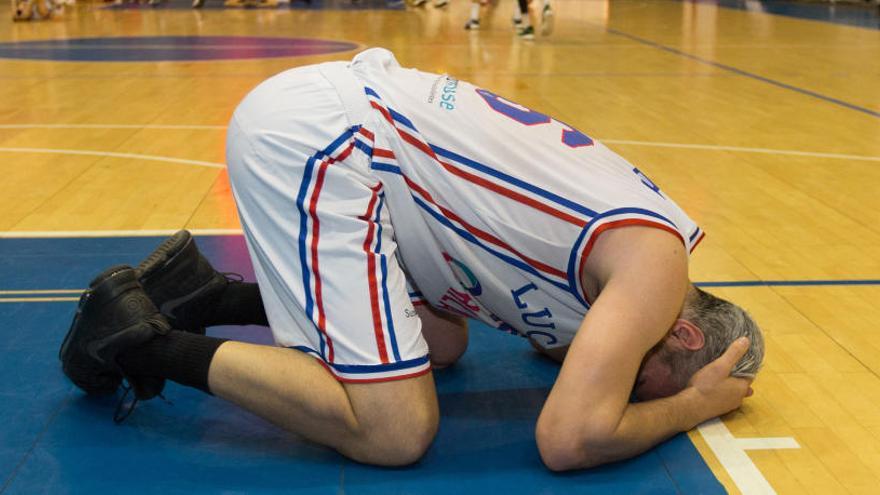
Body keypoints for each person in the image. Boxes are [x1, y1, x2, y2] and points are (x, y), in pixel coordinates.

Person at [59, 47, 763, 470]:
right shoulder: (657, 267)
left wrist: (642, 374)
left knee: (442, 341)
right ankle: (141, 340)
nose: (640, 397)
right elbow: (569, 436)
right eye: (660, 384)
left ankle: (210, 297)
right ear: (686, 333)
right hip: (324, 144)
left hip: (352, 131)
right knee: (395, 428)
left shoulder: (639, 264)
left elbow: (570, 356)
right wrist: (692, 406)